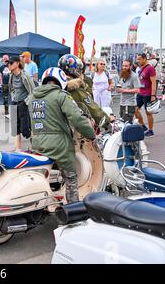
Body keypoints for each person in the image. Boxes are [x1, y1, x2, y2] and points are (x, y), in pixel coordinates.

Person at [30, 67, 96, 203]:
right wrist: (91, 134)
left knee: (45, 176)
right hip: (59, 145)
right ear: (61, 81)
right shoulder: (61, 96)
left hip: (37, 143)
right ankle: (74, 210)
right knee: (71, 178)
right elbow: (77, 118)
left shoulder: (32, 97)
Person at [58, 54, 113, 130]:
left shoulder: (57, 85)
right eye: (79, 69)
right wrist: (107, 120)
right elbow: (92, 108)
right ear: (74, 69)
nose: (80, 72)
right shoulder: (74, 88)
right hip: (72, 128)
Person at [8, 56, 34, 152]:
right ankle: (18, 149)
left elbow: (33, 91)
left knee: (26, 128)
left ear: (17, 63)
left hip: (25, 104)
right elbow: (11, 89)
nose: (9, 65)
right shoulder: (11, 76)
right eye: (8, 63)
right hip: (15, 103)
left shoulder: (25, 76)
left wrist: (25, 102)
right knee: (16, 129)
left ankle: (34, 147)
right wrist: (14, 98)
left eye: (11, 63)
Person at [135, 53, 158, 138]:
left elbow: (153, 82)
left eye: (140, 59)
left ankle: (150, 130)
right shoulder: (141, 68)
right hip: (140, 92)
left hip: (148, 93)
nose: (138, 61)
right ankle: (142, 126)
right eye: (138, 59)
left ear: (145, 59)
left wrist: (153, 95)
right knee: (135, 109)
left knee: (148, 113)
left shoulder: (150, 68)